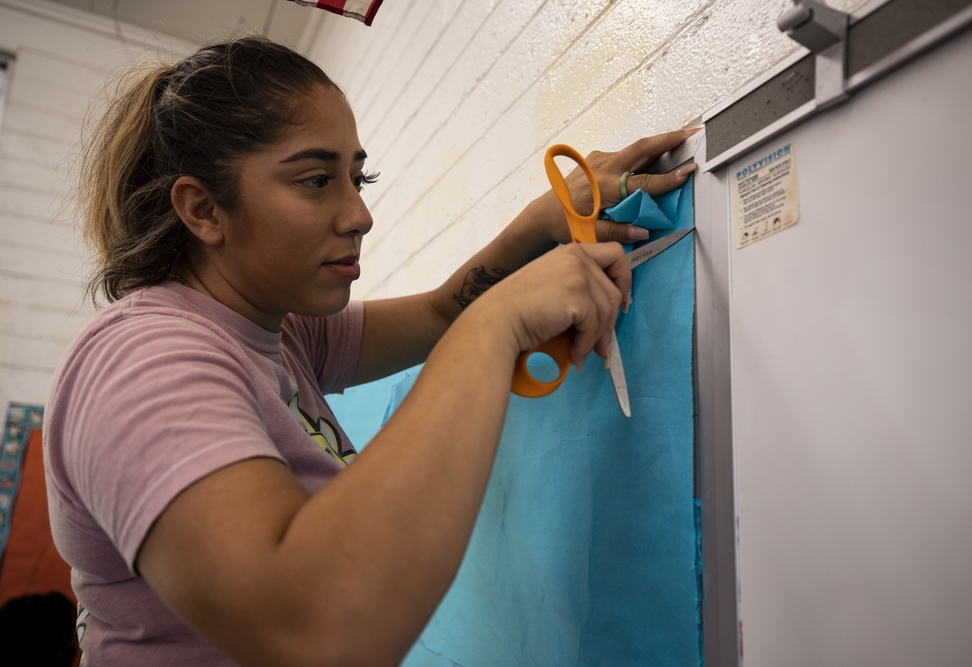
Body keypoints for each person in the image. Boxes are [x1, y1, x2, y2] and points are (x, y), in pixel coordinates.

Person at [43, 35, 697, 666]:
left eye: (359, 177)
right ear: (203, 209)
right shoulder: (142, 359)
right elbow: (306, 631)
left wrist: (543, 218)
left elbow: (443, 310)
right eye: (314, 181)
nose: (359, 214)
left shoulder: (281, 330)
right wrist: (497, 325)